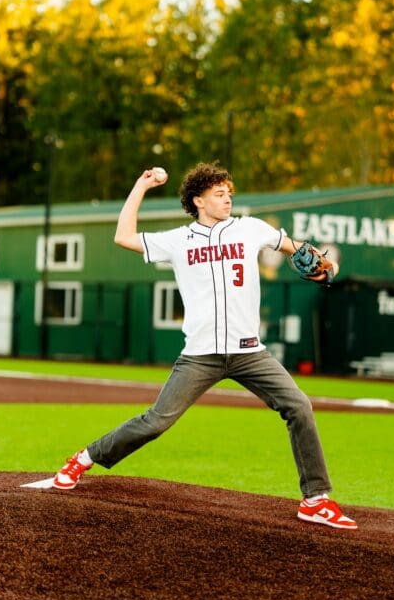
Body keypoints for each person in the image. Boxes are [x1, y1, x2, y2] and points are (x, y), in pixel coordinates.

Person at [51, 162, 357, 530]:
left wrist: (325, 265)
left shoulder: (250, 228)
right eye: (218, 193)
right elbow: (123, 236)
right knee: (155, 423)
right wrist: (141, 186)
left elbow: (297, 250)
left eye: (229, 191)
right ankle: (83, 459)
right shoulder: (178, 241)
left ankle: (315, 499)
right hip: (201, 356)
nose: (227, 197)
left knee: (299, 406)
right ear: (198, 200)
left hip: (249, 353)